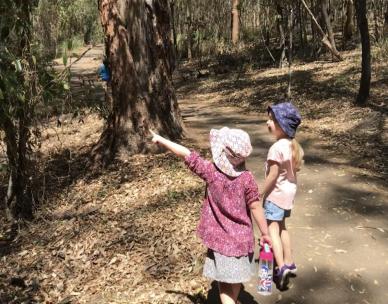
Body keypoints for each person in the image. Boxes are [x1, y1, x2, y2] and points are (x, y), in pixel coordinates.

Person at [150, 127, 271, 304]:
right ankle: (234, 300)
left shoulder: (211, 172)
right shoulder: (247, 179)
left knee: (223, 280)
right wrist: (265, 233)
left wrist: (161, 139)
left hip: (219, 240)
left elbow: (186, 154)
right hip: (241, 241)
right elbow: (256, 207)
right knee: (235, 279)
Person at [261, 101, 304, 290]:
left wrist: (260, 192)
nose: (267, 123)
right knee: (283, 227)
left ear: (282, 126)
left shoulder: (276, 148)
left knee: (272, 231)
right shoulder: (292, 145)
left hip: (275, 195)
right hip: (288, 195)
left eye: (271, 120)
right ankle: (289, 261)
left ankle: (281, 267)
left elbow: (272, 176)